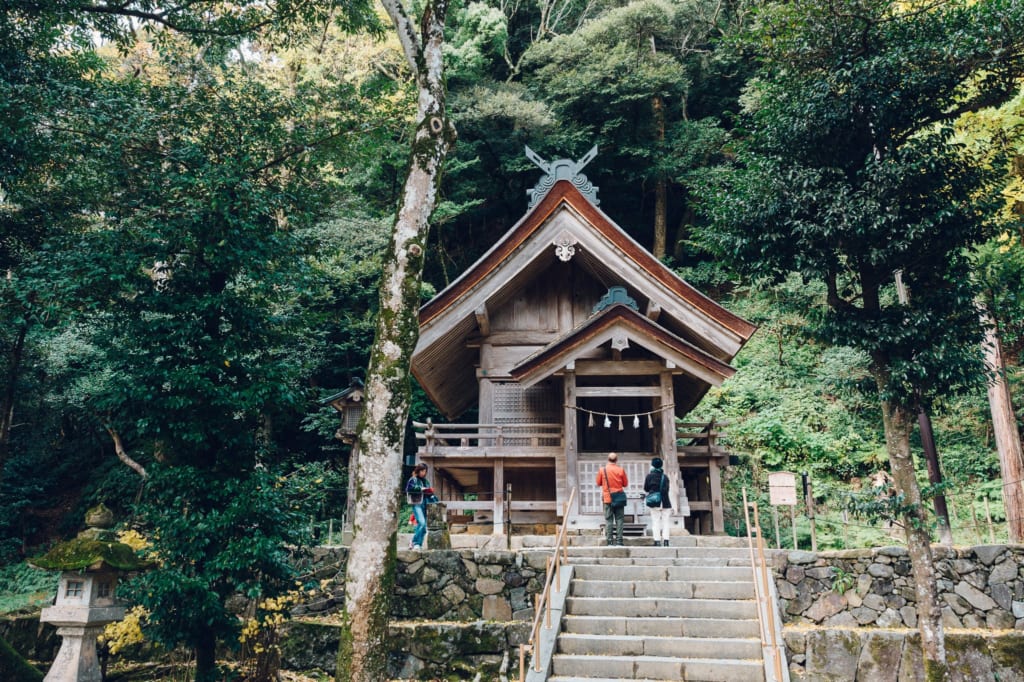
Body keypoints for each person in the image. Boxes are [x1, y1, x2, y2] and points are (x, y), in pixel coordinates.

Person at [596, 452, 628, 546]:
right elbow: (625, 484)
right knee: (619, 519)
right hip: (618, 498)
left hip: (607, 498)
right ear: (616, 460)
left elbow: (598, 483)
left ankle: (609, 540)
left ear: (608, 459)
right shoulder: (621, 470)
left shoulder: (602, 470)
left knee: (609, 519)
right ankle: (619, 541)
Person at [644, 457, 672, 547]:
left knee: (656, 521)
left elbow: (646, 488)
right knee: (666, 522)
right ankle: (666, 541)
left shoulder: (649, 476)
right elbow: (667, 489)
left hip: (655, 501)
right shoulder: (665, 477)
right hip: (665, 502)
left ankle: (657, 541)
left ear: (652, 465)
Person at [405, 463, 433, 550]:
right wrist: (420, 489)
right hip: (416, 503)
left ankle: (417, 544)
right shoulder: (413, 479)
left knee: (424, 528)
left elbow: (429, 493)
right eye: (422, 471)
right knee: (422, 523)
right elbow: (408, 489)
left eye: (425, 471)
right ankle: (416, 542)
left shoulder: (426, 481)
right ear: (418, 470)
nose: (423, 473)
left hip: (425, 503)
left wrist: (431, 494)